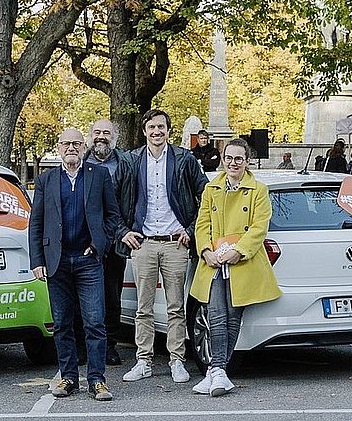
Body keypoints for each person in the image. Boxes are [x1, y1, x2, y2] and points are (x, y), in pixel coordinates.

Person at [29, 127, 123, 401]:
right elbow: (36, 223)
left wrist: (99, 244)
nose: (71, 148)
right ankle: (69, 377)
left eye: (76, 144)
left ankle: (97, 380)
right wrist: (37, 260)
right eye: (66, 143)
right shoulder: (46, 180)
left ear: (85, 147)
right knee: (62, 323)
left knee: (95, 323)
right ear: (58, 147)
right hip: (56, 261)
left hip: (88, 261)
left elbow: (112, 215)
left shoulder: (99, 175)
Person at [120, 109, 208, 385]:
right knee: (142, 307)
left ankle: (177, 360)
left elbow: (206, 195)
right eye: (152, 127)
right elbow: (118, 199)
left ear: (169, 130)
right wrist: (125, 232)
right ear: (144, 130)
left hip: (175, 243)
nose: (157, 132)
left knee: (175, 307)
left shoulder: (184, 158)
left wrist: (191, 230)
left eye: (161, 127)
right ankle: (143, 360)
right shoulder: (132, 159)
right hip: (144, 243)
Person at [190, 138, 281, 396]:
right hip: (214, 261)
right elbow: (202, 223)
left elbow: (259, 227)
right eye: (229, 157)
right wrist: (205, 250)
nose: (233, 162)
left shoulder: (258, 190)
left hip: (241, 261)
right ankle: (218, 370)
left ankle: (216, 371)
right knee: (216, 315)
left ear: (247, 161)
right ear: (223, 159)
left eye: (238, 158)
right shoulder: (212, 188)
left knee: (232, 318)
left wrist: (238, 251)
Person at [83, 118, 136, 366]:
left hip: (116, 240)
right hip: (85, 240)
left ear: (114, 137)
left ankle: (109, 346)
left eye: (106, 132)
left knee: (112, 296)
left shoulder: (126, 163)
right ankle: (84, 345)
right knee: (82, 294)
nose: (101, 136)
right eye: (97, 132)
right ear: (90, 136)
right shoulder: (80, 163)